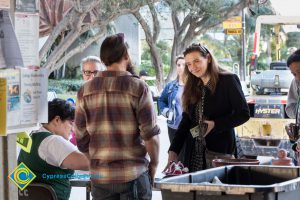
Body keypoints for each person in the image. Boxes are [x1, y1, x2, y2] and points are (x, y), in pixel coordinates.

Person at [75, 33, 160, 200]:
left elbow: (81, 138)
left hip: (101, 179)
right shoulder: (138, 87)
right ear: (126, 56)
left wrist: (96, 164)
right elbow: (150, 135)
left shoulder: (85, 90)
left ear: (103, 59)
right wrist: (154, 163)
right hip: (133, 176)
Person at [165, 43, 250, 172]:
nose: (193, 67)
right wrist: (173, 150)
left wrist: (215, 124)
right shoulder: (193, 85)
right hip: (194, 153)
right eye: (189, 64)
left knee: (218, 190)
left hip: (219, 153)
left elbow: (243, 114)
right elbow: (186, 120)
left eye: (197, 61)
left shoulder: (228, 80)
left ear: (208, 58)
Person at [18, 98, 89, 200]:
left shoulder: (33, 137)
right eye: (70, 123)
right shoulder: (52, 141)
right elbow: (88, 163)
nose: (72, 129)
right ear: (57, 120)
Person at [158, 55, 185, 143]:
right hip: (173, 126)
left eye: (184, 65)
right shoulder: (170, 86)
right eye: (178, 65)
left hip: (190, 129)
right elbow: (161, 100)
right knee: (174, 154)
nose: (181, 67)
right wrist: (167, 113)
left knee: (188, 154)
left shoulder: (195, 87)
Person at [285, 49, 300, 119]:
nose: (298, 77)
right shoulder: (295, 82)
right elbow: (290, 107)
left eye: (299, 72)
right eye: (294, 74)